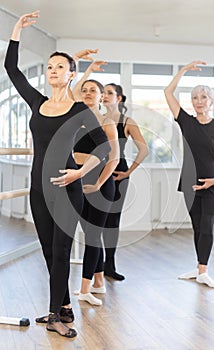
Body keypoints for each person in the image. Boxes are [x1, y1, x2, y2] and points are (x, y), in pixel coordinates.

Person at [4, 11, 111, 338]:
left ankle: (54, 316)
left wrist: (79, 171)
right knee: (49, 252)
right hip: (38, 188)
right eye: (49, 67)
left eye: (59, 67)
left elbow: (103, 148)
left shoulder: (80, 109)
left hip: (68, 190)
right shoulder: (37, 102)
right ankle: (62, 306)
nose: (52, 71)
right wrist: (16, 30)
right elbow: (11, 69)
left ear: (71, 74)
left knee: (63, 250)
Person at [164, 61, 214, 289]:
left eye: (203, 97)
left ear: (211, 101)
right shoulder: (186, 122)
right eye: (195, 98)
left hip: (212, 183)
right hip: (189, 182)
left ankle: (204, 271)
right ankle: (199, 268)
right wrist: (184, 71)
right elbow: (168, 92)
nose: (199, 101)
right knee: (197, 227)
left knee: (207, 226)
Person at [72, 69, 149, 280]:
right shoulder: (92, 117)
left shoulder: (125, 121)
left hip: (117, 171)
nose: (104, 96)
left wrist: (127, 172)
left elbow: (143, 149)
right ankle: (98, 269)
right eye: (102, 92)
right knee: (94, 225)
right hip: (92, 169)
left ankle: (109, 266)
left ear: (119, 98)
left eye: (109, 93)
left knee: (112, 222)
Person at [73, 79, 119, 305]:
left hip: (101, 184)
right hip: (78, 181)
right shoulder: (76, 120)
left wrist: (99, 184)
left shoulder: (106, 122)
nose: (88, 93)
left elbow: (114, 159)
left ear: (102, 96)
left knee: (92, 235)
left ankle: (84, 289)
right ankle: (99, 282)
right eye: (85, 90)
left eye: (93, 90)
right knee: (90, 234)